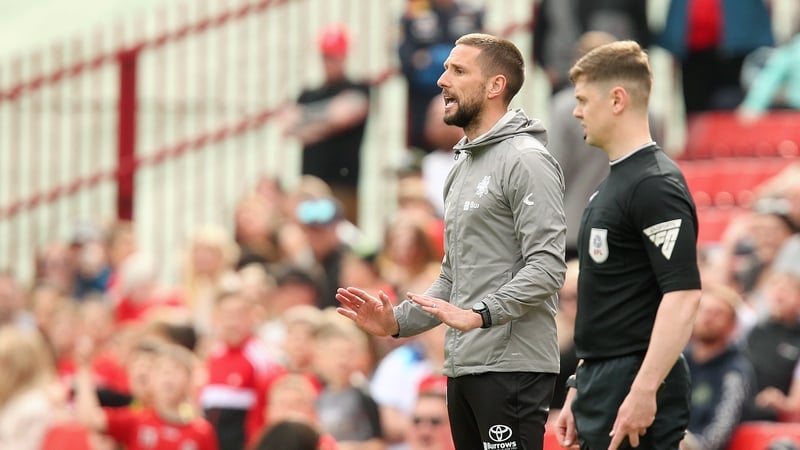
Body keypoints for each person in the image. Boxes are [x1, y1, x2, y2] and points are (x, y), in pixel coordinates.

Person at [337, 33, 567, 450]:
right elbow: (452, 277)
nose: (442, 80)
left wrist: (480, 314)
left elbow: (548, 268)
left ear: (496, 85)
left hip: (510, 366)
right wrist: (397, 323)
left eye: (458, 70)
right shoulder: (462, 166)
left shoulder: (526, 159)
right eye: (445, 69)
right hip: (464, 364)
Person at [555, 40, 702, 450]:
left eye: (583, 99)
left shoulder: (655, 184)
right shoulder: (611, 185)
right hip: (603, 383)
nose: (576, 110)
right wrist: (579, 384)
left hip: (636, 381)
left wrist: (644, 390)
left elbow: (683, 295)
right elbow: (609, 302)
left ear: (617, 99)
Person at [280, 24, 369, 225]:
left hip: (343, 186)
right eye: (326, 56)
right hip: (310, 185)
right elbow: (287, 127)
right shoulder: (308, 93)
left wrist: (306, 120)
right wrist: (329, 119)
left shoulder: (358, 88)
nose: (329, 63)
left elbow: (345, 115)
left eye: (333, 56)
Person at [398, 0, 483, 153]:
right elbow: (408, 61)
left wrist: (430, 58)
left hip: (463, 97)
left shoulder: (469, 15)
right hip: (423, 100)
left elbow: (481, 61)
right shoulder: (415, 15)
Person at [682, 284, 755, 450]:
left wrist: (688, 445)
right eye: (704, 310)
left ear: (732, 325)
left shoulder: (736, 371)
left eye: (718, 313)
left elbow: (721, 430)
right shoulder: (679, 360)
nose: (708, 317)